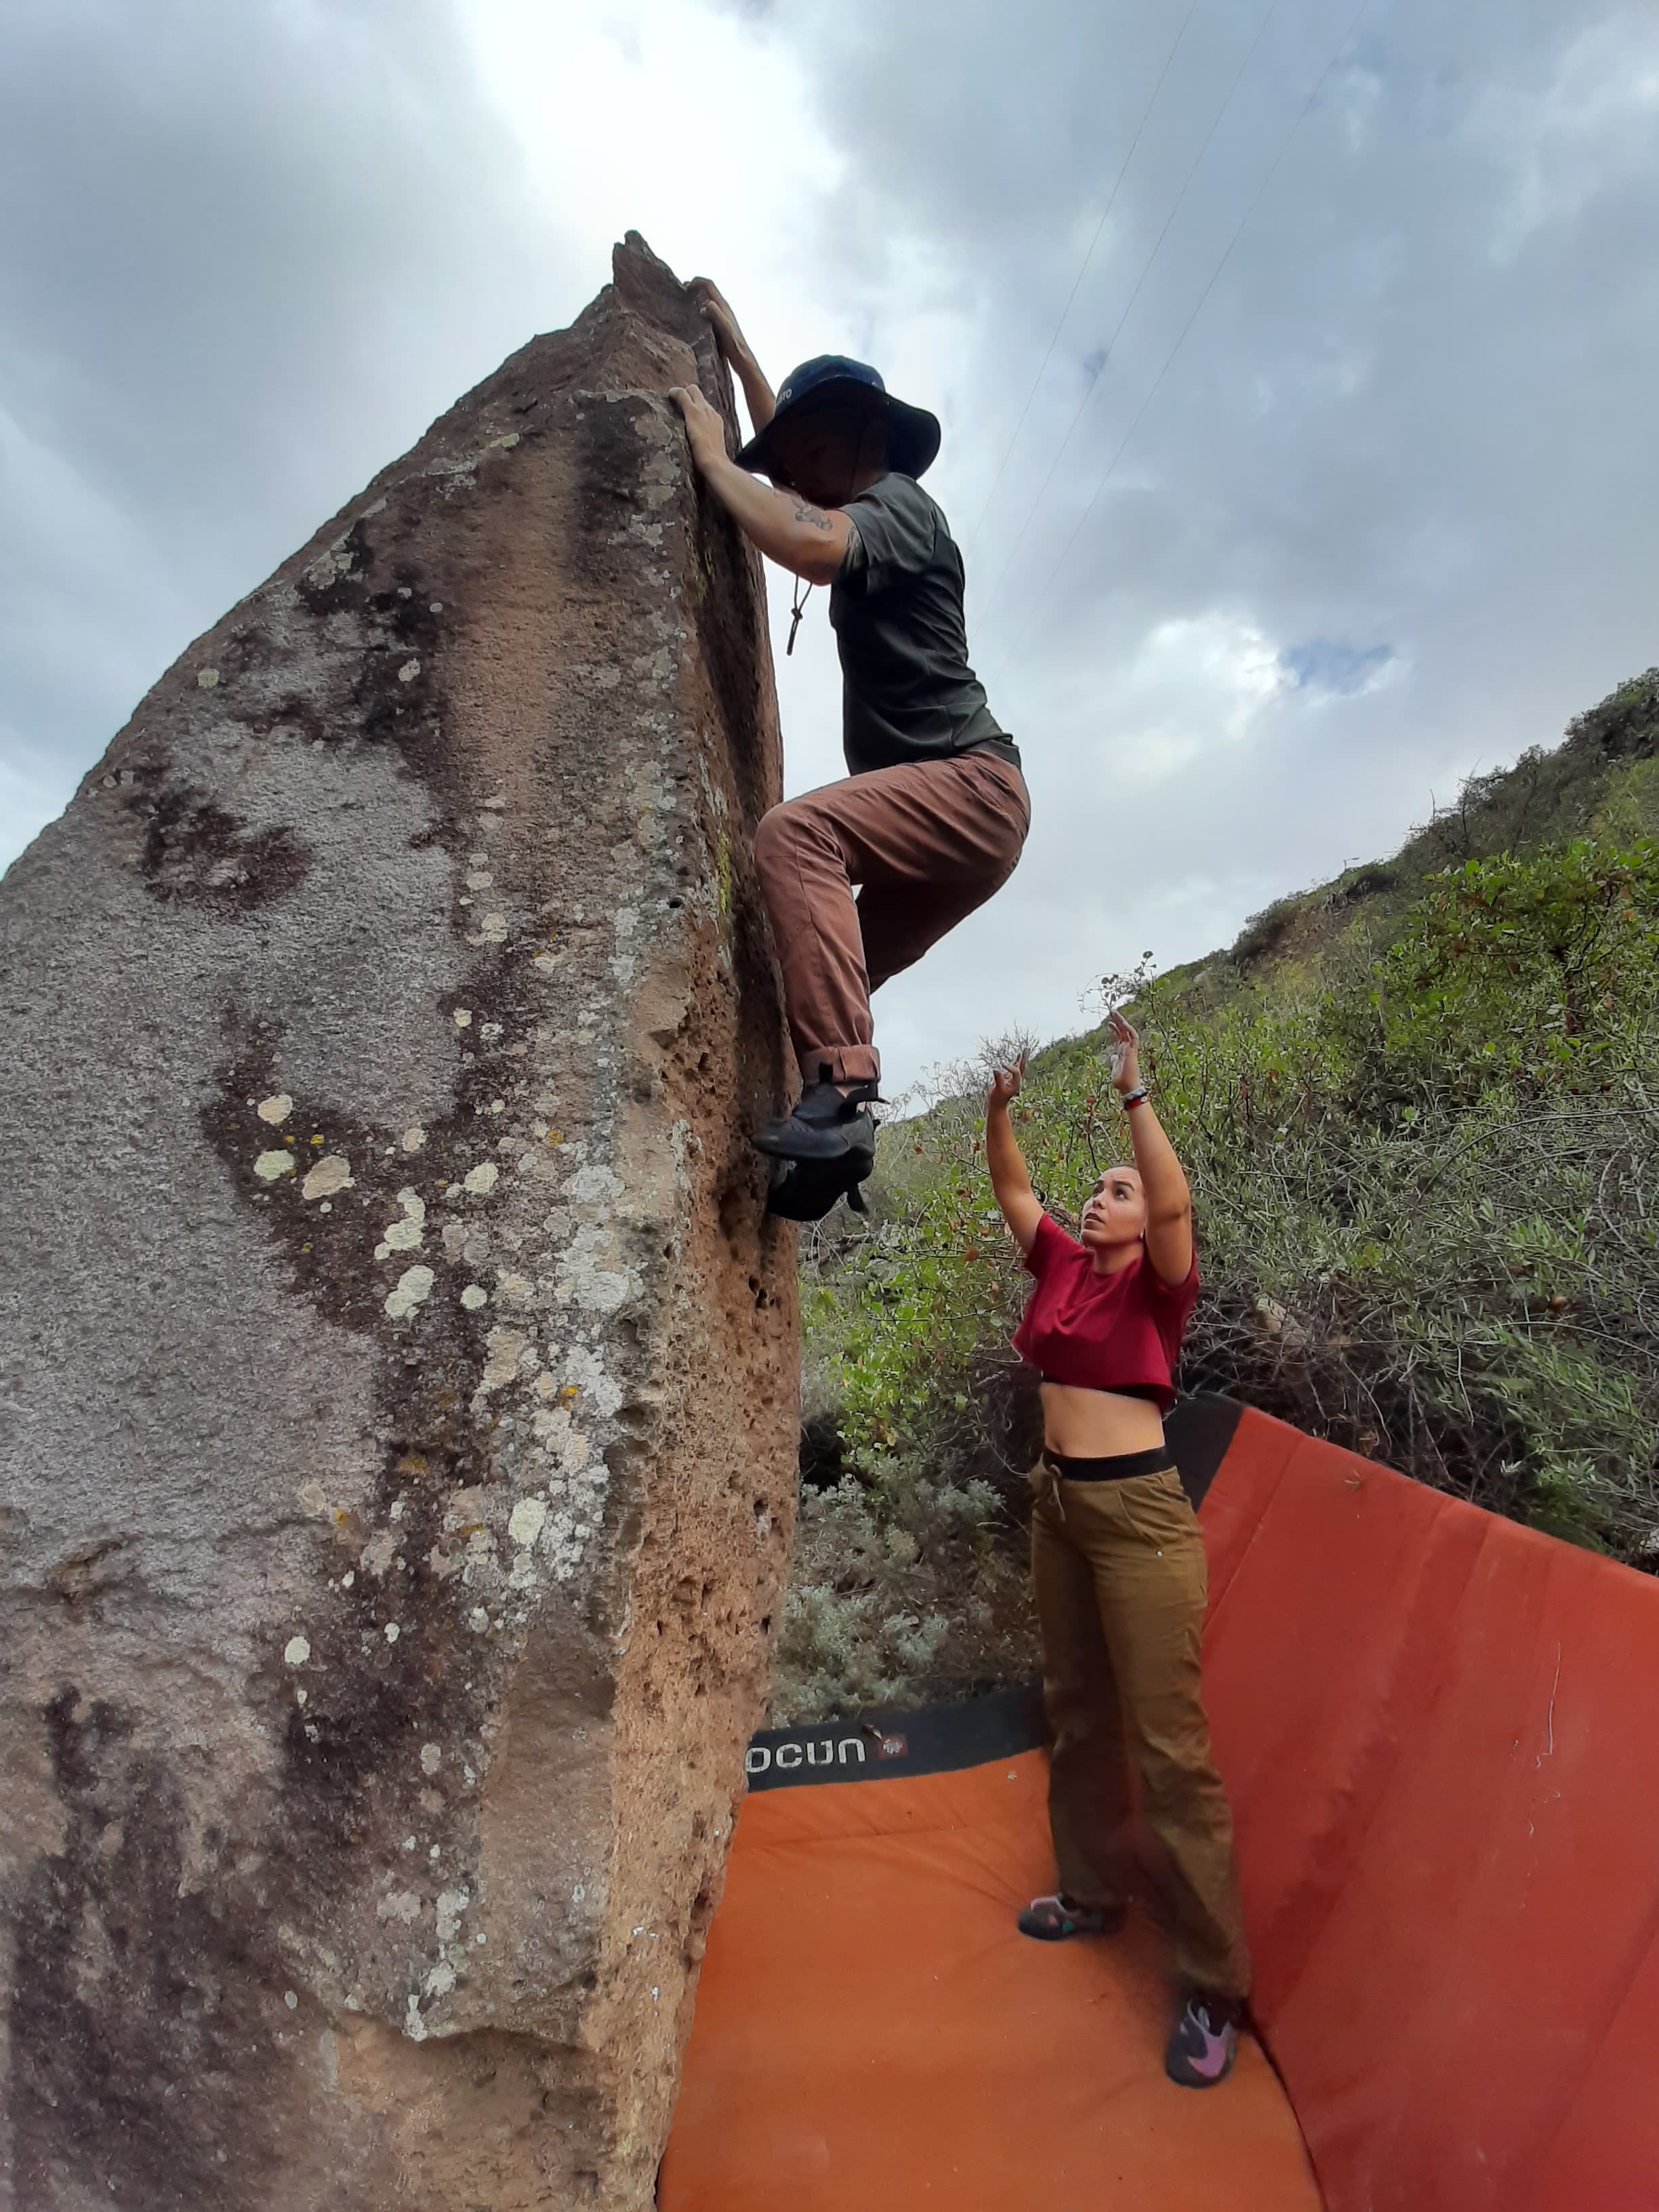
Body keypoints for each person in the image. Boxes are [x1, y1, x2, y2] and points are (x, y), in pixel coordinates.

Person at [668, 280, 1029, 1218]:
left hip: (972, 786)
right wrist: (744, 357)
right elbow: (794, 481)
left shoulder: (900, 505)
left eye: (806, 444)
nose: (789, 468)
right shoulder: (854, 489)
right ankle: (826, 1155)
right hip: (957, 832)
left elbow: (808, 538)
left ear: (865, 433)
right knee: (823, 963)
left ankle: (839, 1098)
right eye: (780, 454)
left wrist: (714, 460)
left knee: (795, 837)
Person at [984, 1011, 1251, 2088]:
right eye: (1095, 1188)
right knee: (1078, 1708)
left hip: (1139, 1517)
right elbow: (1012, 1191)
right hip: (1061, 1509)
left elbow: (1177, 1200)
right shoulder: (1059, 1266)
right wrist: (998, 1115)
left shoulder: (1159, 1285)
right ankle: (1093, 1895)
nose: (1102, 1197)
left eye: (1118, 1190)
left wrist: (1135, 1097)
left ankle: (1213, 1984)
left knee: (1169, 1748)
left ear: (1145, 1226)